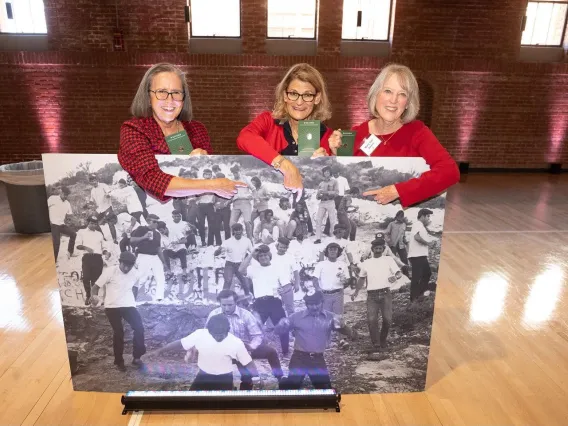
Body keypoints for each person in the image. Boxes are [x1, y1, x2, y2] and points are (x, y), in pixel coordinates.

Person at [324, 64, 460, 207]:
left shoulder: (417, 132)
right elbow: (345, 180)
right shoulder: (357, 133)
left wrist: (399, 191)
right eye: (388, 91)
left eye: (402, 94)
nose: (393, 100)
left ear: (407, 103)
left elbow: (450, 172)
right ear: (376, 94)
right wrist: (335, 154)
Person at [118, 62, 244, 200]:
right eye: (161, 92)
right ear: (148, 97)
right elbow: (151, 178)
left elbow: (205, 174)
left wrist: (202, 161)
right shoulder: (134, 130)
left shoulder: (197, 130)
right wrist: (213, 185)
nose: (170, 100)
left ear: (184, 98)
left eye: (176, 93)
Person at [236, 63, 341, 200]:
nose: (299, 102)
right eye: (293, 94)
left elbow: (335, 181)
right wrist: (284, 164)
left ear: (317, 98)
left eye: (307, 95)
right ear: (285, 95)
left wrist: (331, 157)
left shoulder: (328, 136)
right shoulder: (268, 121)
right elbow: (244, 138)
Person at [150, 314, 258, 390]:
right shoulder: (200, 334)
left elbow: (248, 362)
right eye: (215, 335)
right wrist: (159, 351)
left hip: (224, 379)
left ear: (227, 330)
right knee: (192, 405)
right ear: (209, 331)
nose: (218, 338)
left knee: (222, 409)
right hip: (203, 376)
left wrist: (256, 378)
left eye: (221, 335)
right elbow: (180, 343)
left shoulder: (236, 343)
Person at [275, 291, 356, 390]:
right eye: (311, 304)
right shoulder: (296, 317)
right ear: (306, 304)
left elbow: (348, 332)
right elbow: (278, 331)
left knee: (325, 391)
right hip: (299, 358)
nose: (314, 307)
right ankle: (284, 381)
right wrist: (280, 325)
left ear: (322, 302)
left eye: (317, 304)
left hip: (317, 359)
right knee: (291, 388)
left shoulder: (331, 317)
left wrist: (344, 326)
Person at [206, 290, 284, 390]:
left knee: (271, 352)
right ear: (219, 303)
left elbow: (257, 335)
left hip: (244, 348)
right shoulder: (214, 315)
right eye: (223, 305)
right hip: (223, 351)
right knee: (222, 378)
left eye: (230, 305)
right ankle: (227, 388)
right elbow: (207, 335)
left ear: (236, 303)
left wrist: (252, 346)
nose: (226, 308)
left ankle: (280, 378)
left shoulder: (246, 315)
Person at [91, 251, 146, 372]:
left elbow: (135, 288)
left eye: (129, 266)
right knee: (119, 332)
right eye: (124, 265)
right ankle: (119, 361)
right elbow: (95, 287)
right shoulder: (110, 271)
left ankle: (137, 357)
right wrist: (94, 297)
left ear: (133, 265)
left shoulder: (135, 273)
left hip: (128, 305)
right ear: (119, 262)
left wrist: (132, 302)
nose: (126, 268)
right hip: (112, 306)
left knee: (139, 328)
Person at [238, 245, 290, 356]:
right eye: (260, 256)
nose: (263, 257)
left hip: (274, 301)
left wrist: (283, 291)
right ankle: (254, 350)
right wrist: (252, 254)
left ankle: (285, 352)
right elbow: (241, 269)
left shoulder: (278, 268)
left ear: (269, 256)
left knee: (283, 326)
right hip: (259, 303)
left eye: (265, 255)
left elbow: (286, 285)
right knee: (254, 328)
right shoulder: (253, 269)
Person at [352, 238, 402, 351]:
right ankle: (376, 344)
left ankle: (382, 339)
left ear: (383, 249)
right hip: (372, 295)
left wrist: (395, 277)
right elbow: (361, 279)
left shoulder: (388, 260)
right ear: (372, 249)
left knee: (387, 319)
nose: (378, 250)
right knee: (371, 320)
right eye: (376, 248)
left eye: (380, 248)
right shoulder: (367, 263)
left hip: (385, 293)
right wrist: (356, 292)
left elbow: (399, 273)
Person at [130, 213, 166, 301]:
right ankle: (131, 298)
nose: (156, 224)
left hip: (154, 256)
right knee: (139, 278)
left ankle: (159, 299)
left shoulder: (157, 234)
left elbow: (159, 249)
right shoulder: (141, 229)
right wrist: (144, 237)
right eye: (154, 222)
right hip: (143, 255)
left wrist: (163, 262)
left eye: (157, 222)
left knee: (160, 277)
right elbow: (132, 240)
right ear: (148, 221)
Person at [408, 208, 437, 301]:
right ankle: (413, 298)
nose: (429, 218)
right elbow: (416, 237)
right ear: (422, 216)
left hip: (420, 255)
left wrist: (430, 243)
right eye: (428, 216)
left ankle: (419, 294)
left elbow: (421, 238)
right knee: (417, 277)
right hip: (417, 255)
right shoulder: (417, 224)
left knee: (427, 273)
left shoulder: (421, 226)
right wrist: (428, 243)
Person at [76, 215, 106, 305]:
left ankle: (93, 298)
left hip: (97, 258)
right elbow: (77, 245)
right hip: (87, 257)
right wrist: (86, 247)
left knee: (96, 280)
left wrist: (106, 252)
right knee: (86, 278)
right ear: (88, 223)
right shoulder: (81, 232)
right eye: (91, 223)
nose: (93, 225)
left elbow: (104, 246)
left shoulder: (99, 234)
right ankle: (88, 295)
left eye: (95, 223)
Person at [215, 223, 253, 293]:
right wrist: (218, 251)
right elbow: (218, 252)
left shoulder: (247, 241)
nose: (238, 232)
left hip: (241, 265)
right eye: (236, 230)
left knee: (245, 282)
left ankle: (249, 298)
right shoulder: (227, 241)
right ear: (233, 231)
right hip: (229, 264)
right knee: (228, 281)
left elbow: (252, 252)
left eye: (240, 230)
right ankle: (224, 298)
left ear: (242, 231)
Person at [48, 187, 76, 262]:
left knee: (73, 234)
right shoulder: (52, 198)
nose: (65, 196)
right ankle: (54, 260)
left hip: (62, 225)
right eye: (64, 194)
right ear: (61, 192)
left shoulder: (67, 203)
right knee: (57, 242)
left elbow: (69, 215)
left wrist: (70, 220)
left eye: (67, 195)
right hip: (53, 224)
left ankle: (70, 252)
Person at [228, 165, 254, 239]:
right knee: (232, 223)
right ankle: (235, 239)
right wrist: (229, 201)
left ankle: (250, 240)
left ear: (239, 171)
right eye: (233, 173)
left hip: (245, 202)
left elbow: (253, 189)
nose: (235, 174)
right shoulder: (232, 181)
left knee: (247, 222)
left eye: (236, 172)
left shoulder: (245, 179)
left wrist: (252, 196)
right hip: (236, 203)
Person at [314, 166, 338, 244]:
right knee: (318, 220)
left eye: (328, 171)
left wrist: (327, 192)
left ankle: (332, 238)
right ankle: (318, 238)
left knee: (332, 220)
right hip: (322, 202)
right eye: (325, 172)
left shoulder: (334, 181)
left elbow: (337, 193)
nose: (326, 173)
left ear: (330, 173)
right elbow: (317, 197)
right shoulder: (321, 183)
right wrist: (318, 195)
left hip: (330, 202)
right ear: (323, 173)